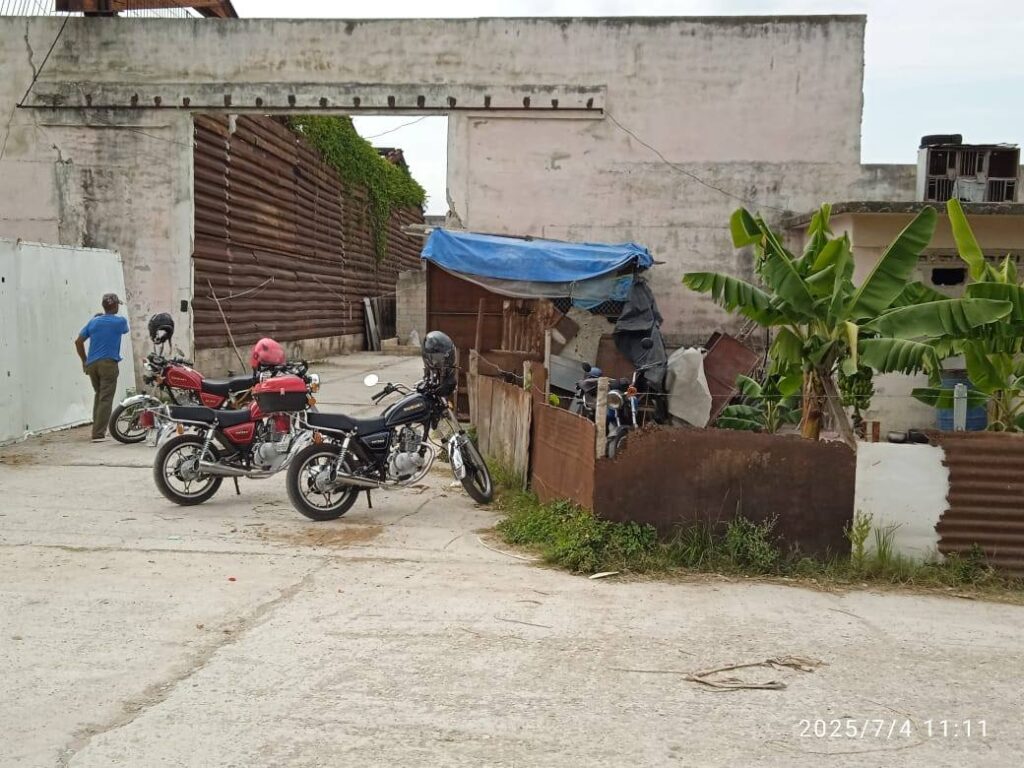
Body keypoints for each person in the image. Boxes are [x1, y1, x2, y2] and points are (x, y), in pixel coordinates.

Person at [74, 293, 130, 442]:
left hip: (92, 364)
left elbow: (78, 342)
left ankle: (96, 428)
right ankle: (98, 433)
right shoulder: (120, 322)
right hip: (108, 363)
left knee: (99, 395)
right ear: (116, 305)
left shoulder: (93, 322)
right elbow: (124, 330)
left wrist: (84, 361)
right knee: (105, 398)